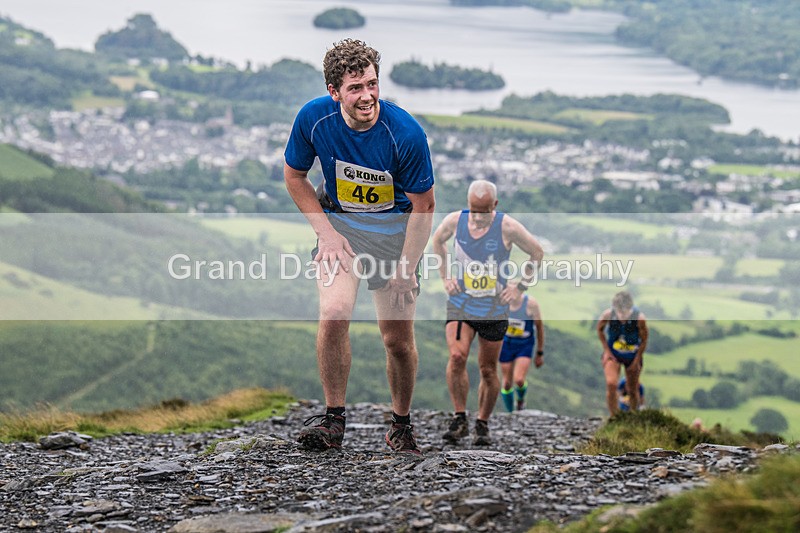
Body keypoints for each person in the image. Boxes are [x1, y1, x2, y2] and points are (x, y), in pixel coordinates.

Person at [284, 39, 435, 455]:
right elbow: (295, 177)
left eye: (372, 84)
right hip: (341, 230)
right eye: (355, 88)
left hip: (395, 237)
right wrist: (327, 234)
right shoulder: (314, 119)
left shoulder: (405, 133)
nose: (367, 96)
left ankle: (400, 425)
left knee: (397, 341)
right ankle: (333, 420)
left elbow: (425, 205)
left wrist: (407, 266)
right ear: (335, 91)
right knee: (334, 313)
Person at [432, 180, 544, 445]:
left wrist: (519, 287)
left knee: (487, 370)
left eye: (484, 210)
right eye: (473, 209)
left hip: (493, 307)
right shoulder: (454, 221)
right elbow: (437, 241)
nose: (478, 216)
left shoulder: (507, 227)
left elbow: (537, 253)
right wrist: (446, 277)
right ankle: (460, 418)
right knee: (457, 356)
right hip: (461, 302)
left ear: (495, 205)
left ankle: (482, 423)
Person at [596, 291, 648, 416]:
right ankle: (614, 417)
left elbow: (644, 340)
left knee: (632, 388)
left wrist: (637, 360)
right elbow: (599, 330)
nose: (622, 315)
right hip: (613, 354)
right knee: (611, 383)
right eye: (619, 312)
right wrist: (606, 351)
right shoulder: (608, 315)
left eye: (625, 312)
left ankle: (633, 417)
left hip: (632, 355)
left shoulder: (639, 319)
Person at [498, 283, 545, 412]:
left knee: (519, 379)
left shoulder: (531, 304)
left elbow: (540, 328)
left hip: (524, 344)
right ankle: (510, 413)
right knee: (507, 383)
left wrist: (539, 352)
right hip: (506, 344)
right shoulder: (502, 302)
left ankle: (521, 400)